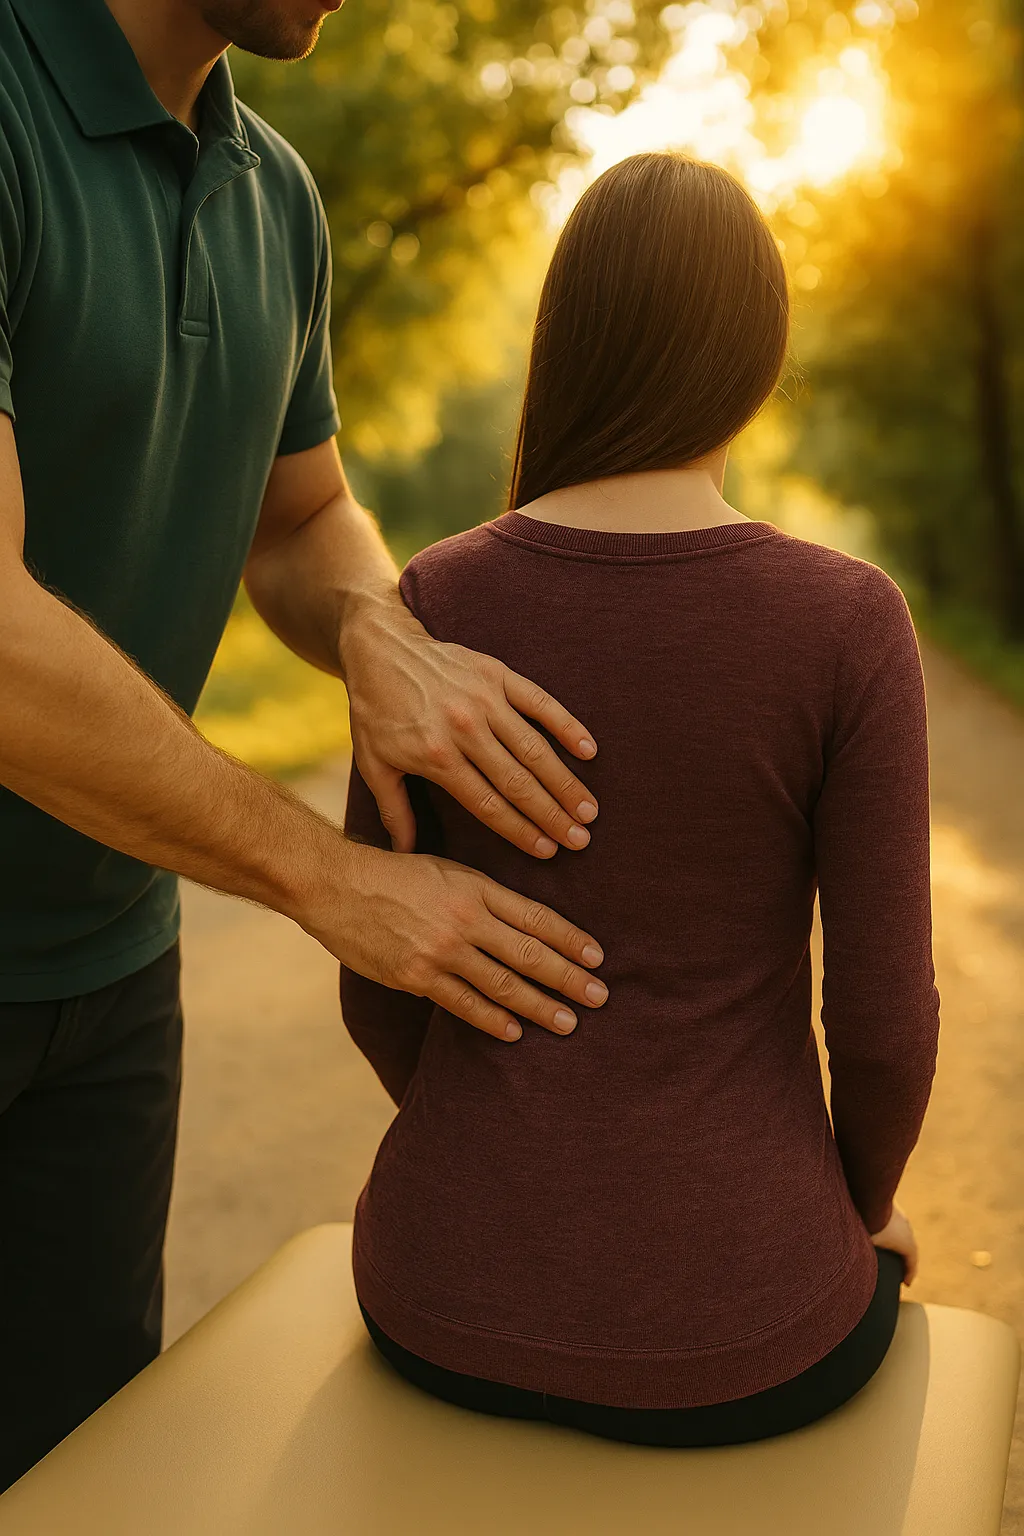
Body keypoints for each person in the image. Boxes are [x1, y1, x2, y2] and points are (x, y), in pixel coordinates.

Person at [0, 0, 611, 1492]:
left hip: (111, 982)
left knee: (79, 1470)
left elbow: (302, 517)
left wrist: (374, 629)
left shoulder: (276, 196)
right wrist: (327, 880)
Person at [340, 152, 941, 1445]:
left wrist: (507, 1167)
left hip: (435, 1295)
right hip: (751, 1327)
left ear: (570, 339)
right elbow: (886, 1025)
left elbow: (371, 975)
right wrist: (857, 1204)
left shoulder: (429, 606)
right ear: (757, 355)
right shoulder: (848, 623)